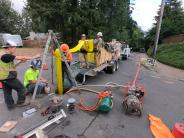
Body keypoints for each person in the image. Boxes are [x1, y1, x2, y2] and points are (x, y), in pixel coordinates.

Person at [0, 41, 40, 110]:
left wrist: (20, 62)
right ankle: (20, 102)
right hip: (7, 77)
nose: (15, 49)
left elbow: (12, 67)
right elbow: (20, 57)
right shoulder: (5, 56)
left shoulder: (6, 56)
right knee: (21, 88)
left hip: (3, 77)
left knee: (7, 91)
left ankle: (10, 105)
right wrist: (34, 57)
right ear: (9, 48)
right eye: (15, 48)